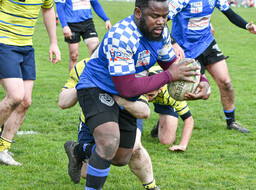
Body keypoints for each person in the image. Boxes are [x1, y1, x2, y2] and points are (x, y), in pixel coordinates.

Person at [75, 0, 209, 188]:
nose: (162, 21)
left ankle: (78, 149)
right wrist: (169, 75)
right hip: (97, 86)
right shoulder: (122, 36)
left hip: (126, 92)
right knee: (109, 141)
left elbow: (171, 63)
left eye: (165, 16)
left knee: (121, 157)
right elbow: (127, 88)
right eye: (155, 16)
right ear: (138, 12)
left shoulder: (161, 33)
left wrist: (202, 82)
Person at [58, 58, 160, 189]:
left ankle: (151, 186)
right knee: (86, 172)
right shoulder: (83, 66)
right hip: (93, 118)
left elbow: (144, 111)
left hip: (127, 112)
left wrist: (121, 100)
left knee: (134, 149)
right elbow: (63, 102)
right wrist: (88, 81)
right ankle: (78, 150)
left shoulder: (127, 65)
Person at [168, 0, 256, 133]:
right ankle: (165, 118)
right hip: (185, 49)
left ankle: (231, 122)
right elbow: (161, 21)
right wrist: (173, 43)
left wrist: (246, 26)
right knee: (183, 90)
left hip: (207, 43)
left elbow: (230, 14)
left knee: (226, 83)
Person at [0, 0, 61, 166]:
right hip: (4, 43)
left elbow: (48, 10)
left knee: (25, 101)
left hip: (26, 46)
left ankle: (2, 149)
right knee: (15, 95)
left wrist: (53, 43)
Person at [147, 66, 210, 152]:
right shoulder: (140, 85)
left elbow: (189, 119)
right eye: (145, 94)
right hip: (145, 91)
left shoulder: (172, 94)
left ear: (160, 89)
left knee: (166, 141)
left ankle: (161, 123)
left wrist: (182, 145)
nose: (147, 99)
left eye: (150, 95)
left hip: (165, 102)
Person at [55, 0, 112, 71]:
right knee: (74, 56)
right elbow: (59, 7)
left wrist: (106, 19)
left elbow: (95, 3)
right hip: (72, 25)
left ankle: (93, 79)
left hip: (88, 23)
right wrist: (65, 26)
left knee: (96, 52)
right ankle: (74, 80)